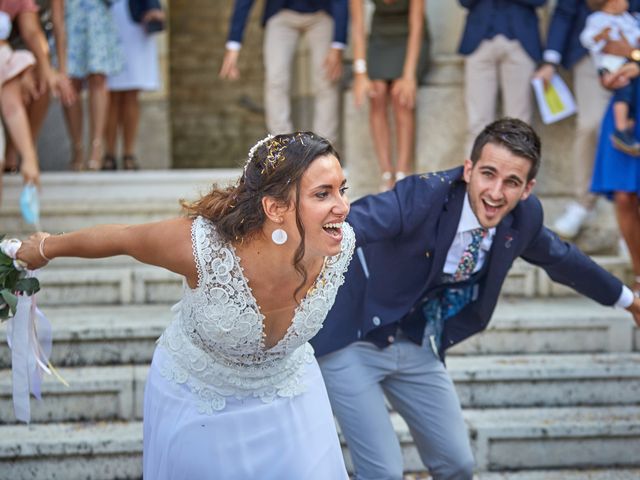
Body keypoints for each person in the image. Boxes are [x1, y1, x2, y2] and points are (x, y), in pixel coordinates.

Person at [310, 117, 640, 479]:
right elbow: (359, 221)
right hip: (353, 338)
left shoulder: (523, 220)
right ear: (469, 169)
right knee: (384, 472)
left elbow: (563, 259)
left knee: (458, 464)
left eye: (511, 182)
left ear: (527, 189)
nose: (496, 192)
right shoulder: (424, 196)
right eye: (488, 174)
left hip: (417, 341)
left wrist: (628, 300)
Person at [15, 132, 354, 479]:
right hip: (199, 401)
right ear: (275, 208)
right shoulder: (204, 248)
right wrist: (45, 248)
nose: (342, 207)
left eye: (342, 189)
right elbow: (124, 238)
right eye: (322, 194)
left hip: (291, 394)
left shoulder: (339, 244)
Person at [534, 0, 613, 239]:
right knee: (590, 125)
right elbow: (565, 10)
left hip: (633, 52)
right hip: (589, 53)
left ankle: (628, 215)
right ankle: (584, 202)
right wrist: (551, 60)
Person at [219, 0, 348, 144]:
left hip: (322, 13)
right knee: (275, 80)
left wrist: (338, 44)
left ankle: (325, 148)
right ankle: (281, 146)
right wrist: (234, 44)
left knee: (327, 80)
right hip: (281, 12)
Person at [350, 0, 430, 191]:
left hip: (409, 38)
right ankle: (386, 174)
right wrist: (360, 73)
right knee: (376, 93)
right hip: (380, 38)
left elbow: (416, 24)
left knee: (400, 96)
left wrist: (409, 75)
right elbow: (358, 25)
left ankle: (403, 172)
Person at [457, 0, 546, 154]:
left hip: (521, 40)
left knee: (520, 126)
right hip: (479, 39)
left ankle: (517, 177)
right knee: (477, 123)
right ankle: (474, 177)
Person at [3, 0, 75, 175]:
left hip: (14, 55)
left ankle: (23, 152)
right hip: (11, 54)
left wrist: (47, 70)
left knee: (40, 82)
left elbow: (34, 32)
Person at [104, 0, 164, 170]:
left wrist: (153, 7)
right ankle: (109, 153)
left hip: (135, 17)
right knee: (110, 93)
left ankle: (128, 154)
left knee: (131, 92)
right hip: (106, 18)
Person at [63, 0, 123, 170]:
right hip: (69, 16)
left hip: (96, 17)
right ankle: (77, 147)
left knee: (98, 78)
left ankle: (96, 147)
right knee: (70, 82)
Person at [580, 0, 640, 155]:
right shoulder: (597, 19)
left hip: (630, 64)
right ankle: (621, 129)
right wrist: (601, 36)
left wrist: (633, 53)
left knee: (630, 98)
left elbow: (634, 36)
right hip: (610, 66)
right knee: (623, 92)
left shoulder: (627, 18)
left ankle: (627, 127)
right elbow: (587, 39)